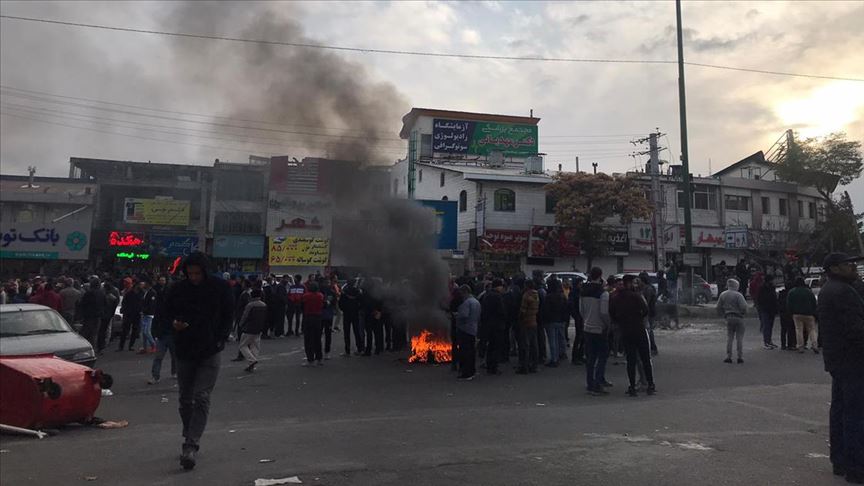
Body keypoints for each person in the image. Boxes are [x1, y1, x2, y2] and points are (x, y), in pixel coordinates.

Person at [163, 252, 234, 470]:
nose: (194, 277)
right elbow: (165, 314)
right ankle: (190, 433)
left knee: (201, 396)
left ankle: (191, 444)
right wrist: (174, 325)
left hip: (210, 350)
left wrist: (220, 338)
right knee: (185, 399)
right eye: (190, 273)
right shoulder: (178, 290)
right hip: (185, 350)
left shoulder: (220, 288)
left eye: (197, 273)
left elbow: (228, 315)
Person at [817, 253, 864, 484]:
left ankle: (841, 461)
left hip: (838, 360)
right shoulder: (844, 292)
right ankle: (856, 467)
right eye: (848, 264)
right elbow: (856, 330)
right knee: (855, 414)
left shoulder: (830, 289)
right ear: (834, 268)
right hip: (853, 360)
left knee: (840, 410)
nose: (853, 266)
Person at [610, 275, 655, 396]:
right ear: (629, 283)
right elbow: (646, 310)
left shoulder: (616, 298)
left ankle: (632, 387)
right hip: (639, 329)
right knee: (645, 358)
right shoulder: (636, 296)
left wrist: (621, 322)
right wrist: (638, 317)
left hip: (626, 331)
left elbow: (612, 314)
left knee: (631, 360)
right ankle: (650, 385)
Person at [581, 267, 611, 395]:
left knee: (590, 357)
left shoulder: (583, 291)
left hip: (587, 327)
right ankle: (598, 383)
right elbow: (604, 312)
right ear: (600, 276)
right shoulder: (603, 293)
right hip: (600, 328)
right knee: (602, 356)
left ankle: (590, 383)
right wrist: (607, 324)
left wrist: (586, 320)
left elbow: (581, 310)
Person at [149, 278, 176, 385]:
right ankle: (158, 375)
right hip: (167, 333)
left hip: (167, 333)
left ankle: (157, 376)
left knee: (161, 357)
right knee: (166, 356)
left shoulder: (167, 305)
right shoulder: (166, 306)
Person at [716, 278, 748, 364]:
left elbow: (718, 307)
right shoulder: (738, 295)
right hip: (738, 318)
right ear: (736, 286)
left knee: (730, 337)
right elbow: (744, 307)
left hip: (728, 317)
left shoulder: (723, 294)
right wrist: (743, 313)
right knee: (739, 338)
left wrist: (723, 315)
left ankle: (728, 356)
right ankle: (739, 357)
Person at [236, 289, 268, 372]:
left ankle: (251, 360)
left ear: (251, 296)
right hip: (259, 328)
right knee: (255, 346)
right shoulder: (264, 305)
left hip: (249, 328)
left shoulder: (250, 305)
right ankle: (252, 364)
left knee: (243, 345)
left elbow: (245, 316)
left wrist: (240, 324)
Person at [479, 278, 506, 375]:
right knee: (496, 347)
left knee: (490, 346)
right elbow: (501, 311)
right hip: (497, 325)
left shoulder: (487, 295)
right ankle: (494, 367)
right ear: (498, 286)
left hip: (488, 324)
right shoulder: (497, 297)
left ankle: (489, 365)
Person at [455, 284, 481, 380]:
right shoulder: (476, 302)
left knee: (465, 352)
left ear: (465, 292)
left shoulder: (467, 303)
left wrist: (456, 316)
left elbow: (464, 315)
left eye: (461, 293)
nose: (461, 295)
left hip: (465, 330)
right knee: (471, 352)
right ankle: (472, 371)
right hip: (473, 329)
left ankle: (466, 373)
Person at [788, 276, 819, 354]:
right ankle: (815, 345)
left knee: (799, 330)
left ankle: (800, 347)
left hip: (797, 314)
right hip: (809, 313)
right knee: (812, 329)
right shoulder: (809, 291)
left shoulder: (792, 292)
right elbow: (814, 303)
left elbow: (789, 304)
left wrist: (791, 312)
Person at [541, 278, 569, 368]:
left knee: (552, 341)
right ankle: (560, 354)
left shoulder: (548, 297)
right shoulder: (562, 296)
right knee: (559, 339)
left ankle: (554, 359)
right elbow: (565, 308)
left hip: (551, 321)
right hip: (560, 320)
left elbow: (545, 310)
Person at [516, 280, 540, 374]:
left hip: (526, 322)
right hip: (534, 320)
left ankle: (524, 366)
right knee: (534, 344)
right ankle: (534, 365)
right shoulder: (536, 295)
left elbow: (523, 311)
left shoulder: (526, 296)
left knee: (525, 345)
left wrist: (519, 320)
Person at [78, 276, 106, 348]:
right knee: (94, 333)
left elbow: (83, 303)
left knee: (86, 332)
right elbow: (105, 303)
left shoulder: (89, 293)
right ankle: (92, 347)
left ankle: (85, 347)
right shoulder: (102, 293)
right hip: (98, 315)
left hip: (89, 315)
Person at [301, 282, 325, 366]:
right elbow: (323, 305)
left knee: (308, 339)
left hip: (308, 317)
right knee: (317, 338)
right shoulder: (320, 295)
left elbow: (302, 306)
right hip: (318, 317)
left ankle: (310, 359)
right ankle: (319, 358)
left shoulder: (306, 296)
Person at [339, 278, 364, 356]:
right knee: (357, 332)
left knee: (347, 333)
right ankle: (360, 349)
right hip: (355, 314)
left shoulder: (344, 292)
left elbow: (340, 303)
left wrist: (344, 309)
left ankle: (347, 351)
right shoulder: (358, 291)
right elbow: (361, 303)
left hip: (347, 314)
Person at [118, 280, 143, 352]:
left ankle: (130, 345)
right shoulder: (130, 294)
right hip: (129, 314)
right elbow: (124, 303)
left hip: (136, 314)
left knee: (134, 331)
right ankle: (121, 346)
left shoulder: (141, 293)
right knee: (125, 330)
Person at [756, 274, 779, 349]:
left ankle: (769, 341)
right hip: (765, 309)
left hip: (771, 310)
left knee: (770, 326)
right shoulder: (762, 288)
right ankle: (766, 342)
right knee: (766, 326)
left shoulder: (772, 288)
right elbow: (759, 299)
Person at [639, 272, 659, 355]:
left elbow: (646, 302)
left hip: (648, 312)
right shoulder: (648, 288)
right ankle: (651, 348)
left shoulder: (648, 289)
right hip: (649, 312)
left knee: (649, 330)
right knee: (648, 330)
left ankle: (653, 348)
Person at [99, 282, 120, 354]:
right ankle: (105, 343)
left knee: (102, 330)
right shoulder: (113, 298)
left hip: (103, 316)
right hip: (108, 316)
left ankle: (101, 345)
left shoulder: (103, 296)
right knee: (107, 329)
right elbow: (114, 307)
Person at [569, 277, 585, 365]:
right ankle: (575, 357)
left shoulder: (580, 292)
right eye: (580, 283)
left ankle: (580, 355)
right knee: (579, 337)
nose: (581, 285)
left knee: (582, 338)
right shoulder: (574, 293)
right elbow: (572, 306)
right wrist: (576, 316)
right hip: (578, 317)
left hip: (582, 316)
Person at [319, 277, 336, 359]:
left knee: (328, 334)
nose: (327, 284)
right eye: (326, 283)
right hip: (319, 316)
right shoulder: (319, 292)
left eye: (329, 283)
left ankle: (327, 351)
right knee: (318, 334)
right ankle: (318, 352)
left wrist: (329, 303)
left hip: (329, 316)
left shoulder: (332, 292)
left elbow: (335, 303)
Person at [139, 280, 158, 354]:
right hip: (145, 314)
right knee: (143, 332)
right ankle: (144, 347)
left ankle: (154, 345)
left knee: (146, 331)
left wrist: (145, 310)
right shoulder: (146, 292)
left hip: (149, 314)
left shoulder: (152, 293)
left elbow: (152, 304)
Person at [777, 282, 797, 351]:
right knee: (791, 329)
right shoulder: (792, 294)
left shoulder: (781, 293)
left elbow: (779, 303)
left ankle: (783, 344)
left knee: (783, 329)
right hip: (789, 313)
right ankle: (790, 344)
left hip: (782, 313)